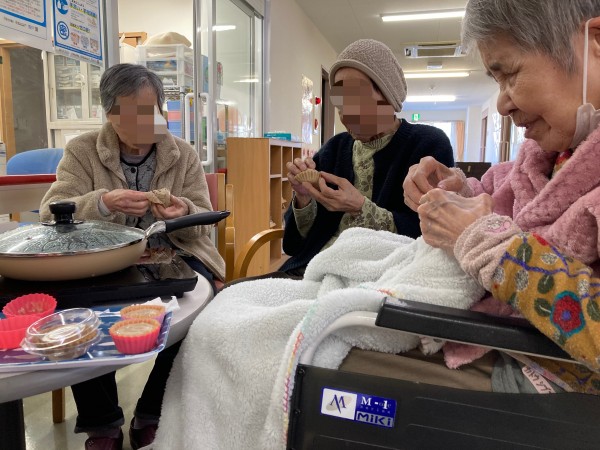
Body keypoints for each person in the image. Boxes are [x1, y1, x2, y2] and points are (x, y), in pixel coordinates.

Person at [401, 0, 600, 392]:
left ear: (595, 42)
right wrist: (460, 191)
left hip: (556, 375)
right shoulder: (548, 154)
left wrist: (485, 242)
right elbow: (507, 198)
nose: (502, 103)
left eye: (509, 74)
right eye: (496, 82)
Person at [39, 63, 224, 450]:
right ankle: (102, 424)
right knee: (78, 308)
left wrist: (183, 211)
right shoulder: (83, 150)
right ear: (110, 114)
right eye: (132, 113)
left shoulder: (182, 153)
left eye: (150, 111)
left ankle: (153, 412)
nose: (145, 123)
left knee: (199, 305)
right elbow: (51, 212)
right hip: (104, 257)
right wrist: (103, 203)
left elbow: (203, 222)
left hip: (175, 251)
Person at [279, 39, 455, 276]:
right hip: (315, 270)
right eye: (340, 101)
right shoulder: (334, 148)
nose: (346, 112)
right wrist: (303, 198)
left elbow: (434, 233)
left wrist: (361, 208)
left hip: (388, 276)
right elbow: (294, 245)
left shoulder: (428, 144)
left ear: (388, 95)